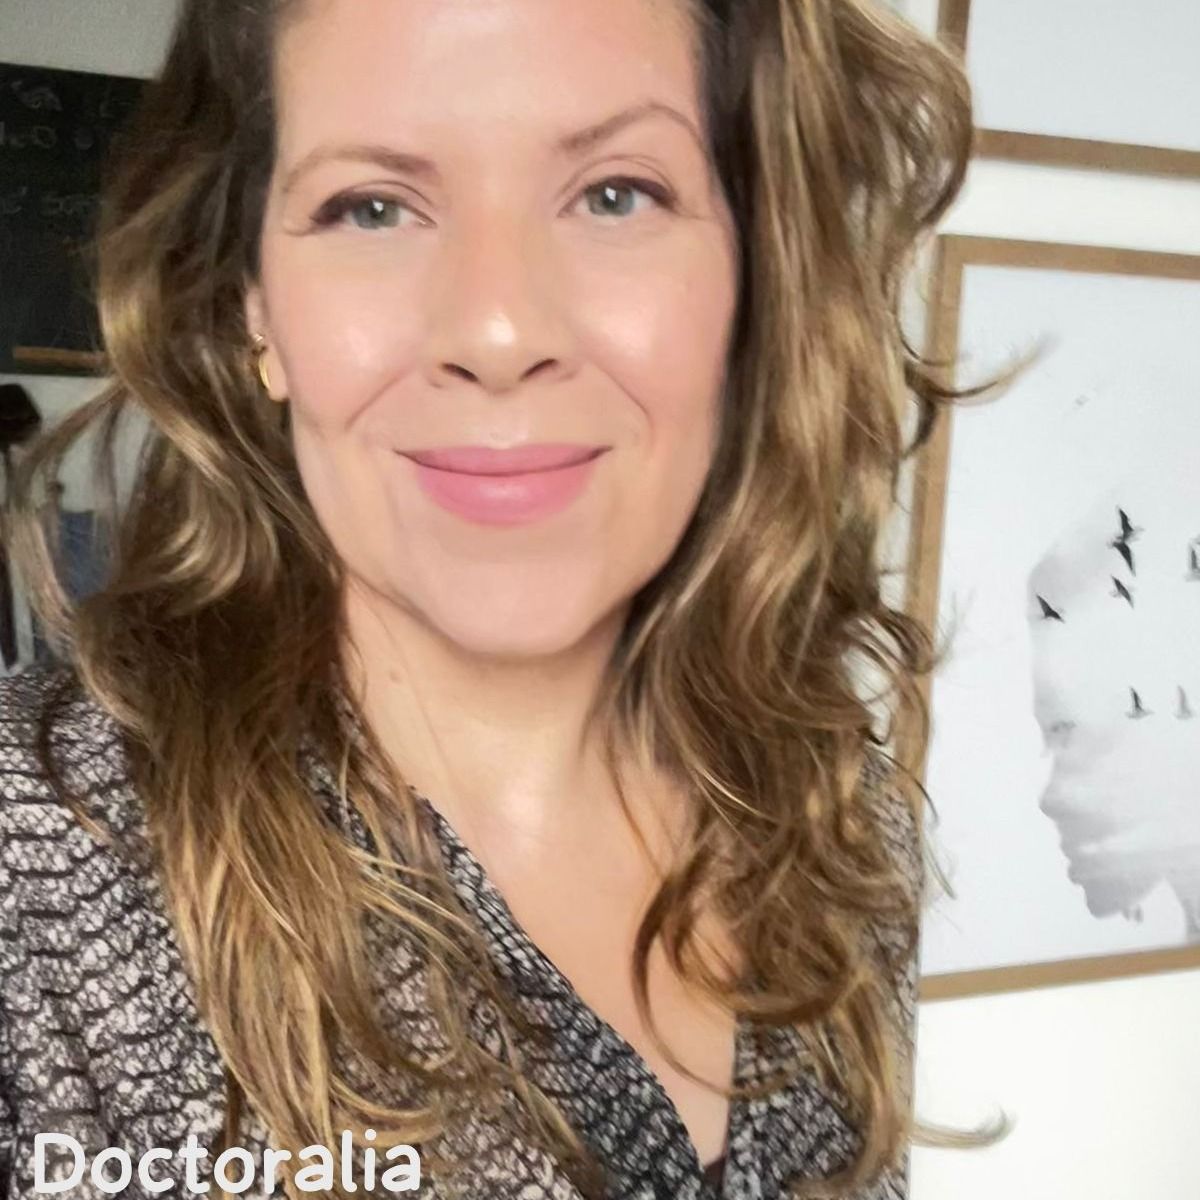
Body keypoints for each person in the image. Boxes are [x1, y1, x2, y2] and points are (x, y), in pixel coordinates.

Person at [0, 1, 980, 1197]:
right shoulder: (35, 867)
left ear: (752, 276)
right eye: (372, 208)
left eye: (616, 194)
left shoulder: (837, 814)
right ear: (255, 301)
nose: (501, 330)